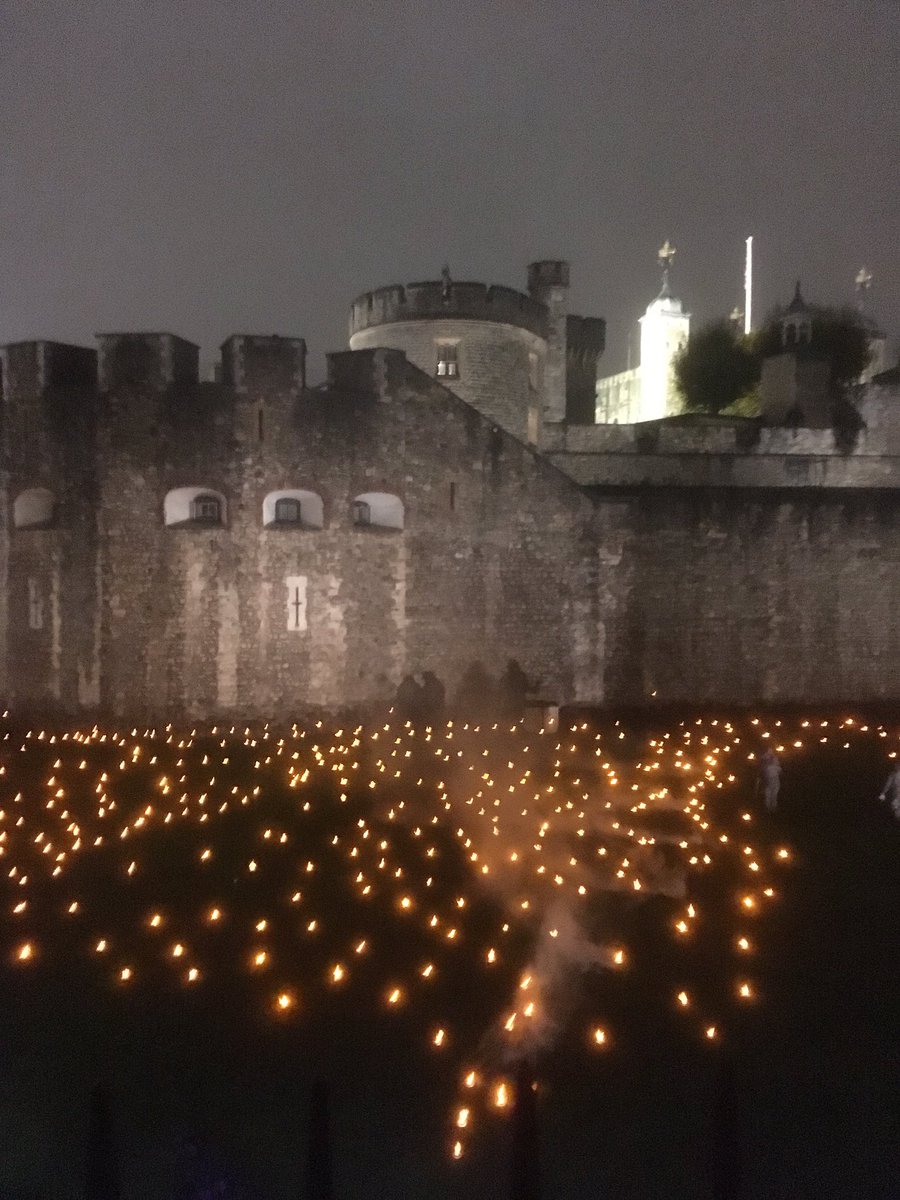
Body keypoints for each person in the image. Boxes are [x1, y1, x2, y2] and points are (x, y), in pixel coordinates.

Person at [758, 748, 782, 813]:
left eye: (771, 750)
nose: (770, 751)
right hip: (768, 779)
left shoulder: (775, 760)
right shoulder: (765, 760)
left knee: (774, 794)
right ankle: (768, 807)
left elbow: (779, 769)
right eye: (769, 750)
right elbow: (762, 769)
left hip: (775, 779)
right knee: (768, 793)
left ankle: (773, 807)